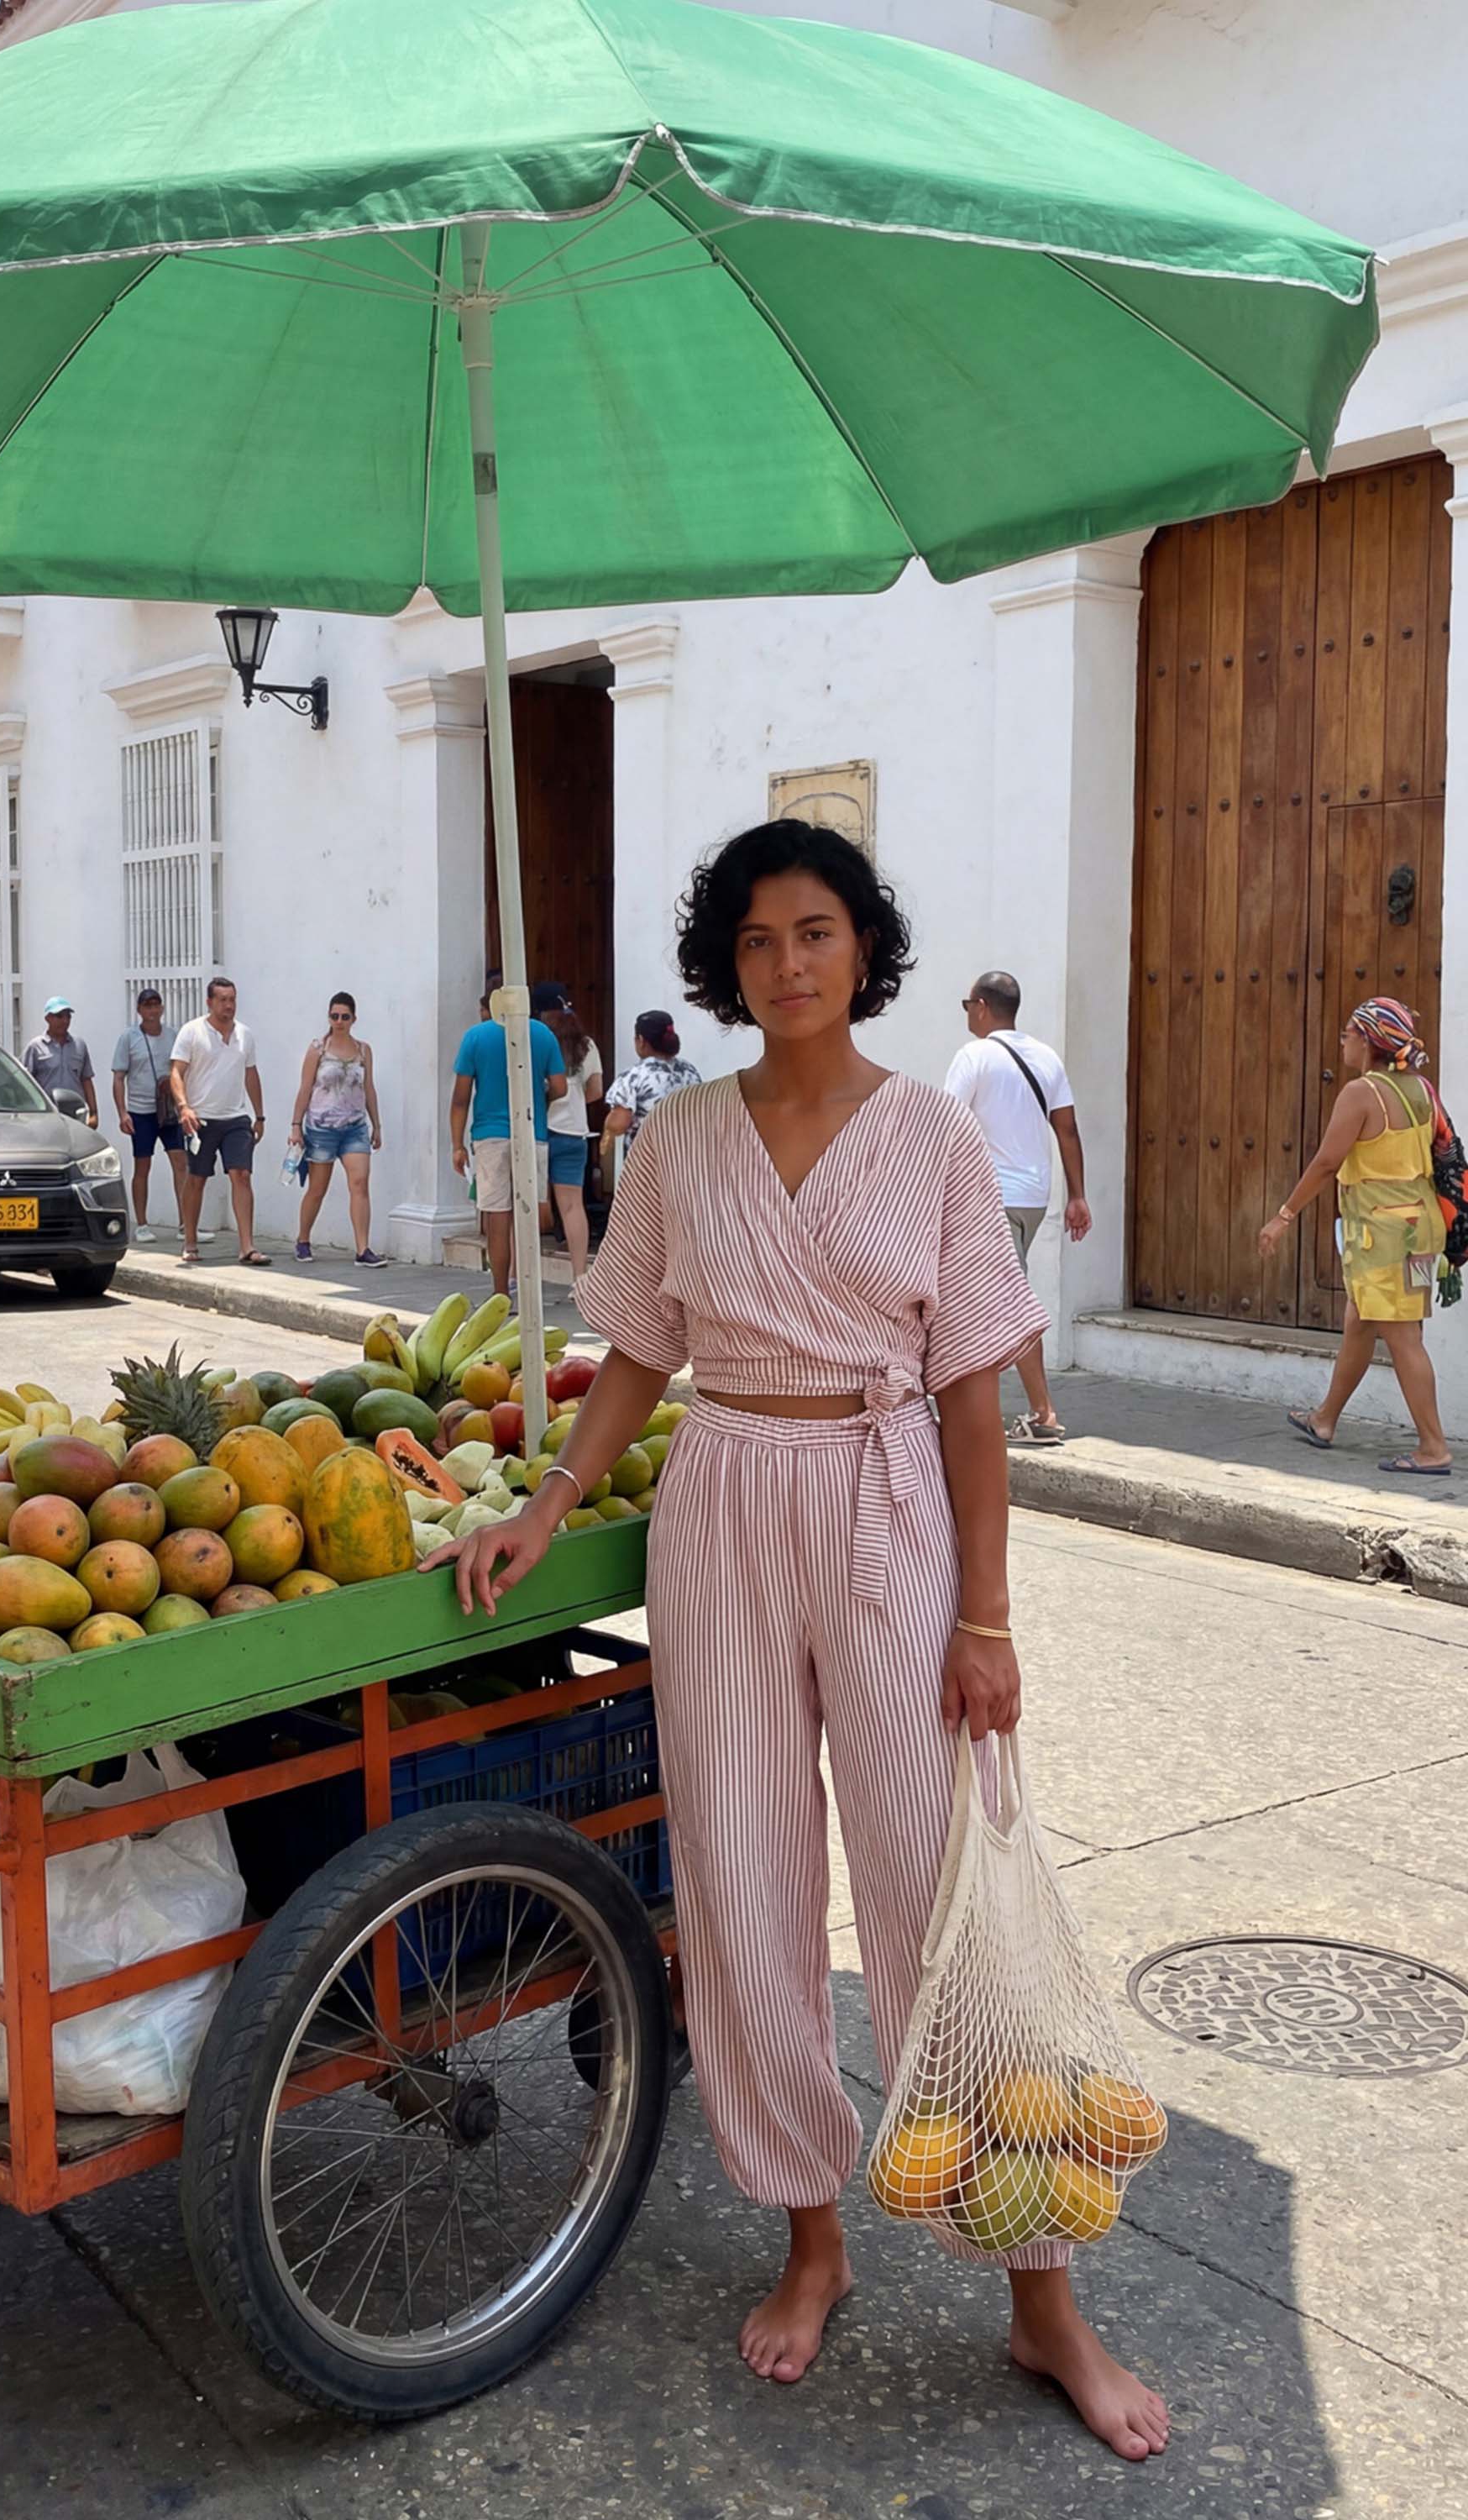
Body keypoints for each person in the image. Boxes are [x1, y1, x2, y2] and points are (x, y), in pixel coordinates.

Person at [438, 819, 1168, 2463]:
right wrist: (549, 1507)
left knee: (943, 1876)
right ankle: (809, 2236)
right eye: (757, 939)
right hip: (722, 1501)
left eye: (815, 931)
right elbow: (632, 1346)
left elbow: (973, 1387)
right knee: (741, 1874)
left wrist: (986, 1613)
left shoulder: (922, 1136)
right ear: (725, 962)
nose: (786, 963)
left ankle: (1040, 2290)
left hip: (889, 1492)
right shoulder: (682, 1136)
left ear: (863, 947)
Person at [1259, 995, 1452, 1475]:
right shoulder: (1421, 1089)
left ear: (1368, 1042)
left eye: (1348, 1032)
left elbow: (1328, 1162)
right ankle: (1325, 1420)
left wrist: (1284, 1215)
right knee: (1360, 1324)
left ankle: (1433, 1448)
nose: (1342, 1040)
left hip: (1382, 1235)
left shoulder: (1362, 1092)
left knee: (1404, 1337)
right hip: (1420, 1227)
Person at [944, 971, 1088, 1445]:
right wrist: (1077, 1196)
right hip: (1032, 1199)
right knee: (978, 1300)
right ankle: (969, 1404)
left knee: (1010, 1302)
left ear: (982, 1006)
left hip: (989, 1200)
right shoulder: (1045, 1056)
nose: (967, 1013)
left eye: (968, 1004)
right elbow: (1066, 1130)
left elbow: (947, 1127)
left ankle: (1043, 1413)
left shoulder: (975, 1056)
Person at [450, 987, 567, 1299]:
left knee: (497, 1218)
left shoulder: (475, 1037)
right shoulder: (542, 1034)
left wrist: (457, 1144)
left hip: (490, 1136)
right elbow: (560, 1086)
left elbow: (461, 1098)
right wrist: (540, 1097)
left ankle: (500, 1293)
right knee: (527, 1214)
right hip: (532, 1131)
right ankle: (529, 1290)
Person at [169, 976, 269, 1268]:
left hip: (235, 1117)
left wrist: (259, 1115)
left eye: (232, 999)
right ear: (210, 1002)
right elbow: (176, 1072)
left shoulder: (244, 1035)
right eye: (223, 999)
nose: (229, 1005)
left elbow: (251, 1074)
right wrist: (184, 1107)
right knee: (197, 1179)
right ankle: (189, 1240)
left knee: (242, 1174)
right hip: (200, 1118)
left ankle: (247, 1246)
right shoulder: (192, 1032)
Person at [288, 991, 385, 1267]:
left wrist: (376, 1125)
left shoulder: (364, 1050)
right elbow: (305, 1087)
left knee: (360, 1183)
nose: (339, 1021)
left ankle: (363, 1248)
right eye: (334, 1016)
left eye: (345, 1017)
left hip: (354, 1127)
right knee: (318, 1187)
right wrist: (296, 1126)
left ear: (354, 1019)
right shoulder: (318, 1049)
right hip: (321, 1127)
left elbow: (369, 1089)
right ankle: (303, 1239)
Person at [532, 981, 602, 1282]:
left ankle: (519, 1274)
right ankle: (579, 1276)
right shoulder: (585, 1044)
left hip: (539, 1129)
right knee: (573, 1206)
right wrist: (574, 1103)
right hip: (574, 1132)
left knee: (529, 1205)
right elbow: (596, 1090)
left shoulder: (534, 1040)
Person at [110, 988, 185, 1245]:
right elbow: (119, 1078)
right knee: (143, 1165)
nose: (152, 1011)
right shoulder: (129, 1038)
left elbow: (180, 1069)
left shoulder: (173, 1036)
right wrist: (122, 1113)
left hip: (169, 1109)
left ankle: (186, 1223)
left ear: (162, 1009)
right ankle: (141, 1224)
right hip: (141, 1111)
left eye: (156, 1005)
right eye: (147, 1006)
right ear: (139, 1010)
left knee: (180, 1162)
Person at [600, 1011, 702, 1156]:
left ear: (641, 1040)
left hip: (648, 1161)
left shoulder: (634, 1076)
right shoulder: (690, 1071)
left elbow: (618, 1124)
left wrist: (606, 1136)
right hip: (687, 1158)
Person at [22, 996, 97, 1126]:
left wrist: (94, 1114)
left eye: (68, 1017)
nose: (65, 1021)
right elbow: (25, 1084)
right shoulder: (35, 1047)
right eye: (59, 1016)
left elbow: (86, 1080)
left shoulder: (79, 1045)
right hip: (47, 1115)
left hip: (76, 1114)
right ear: (48, 1018)